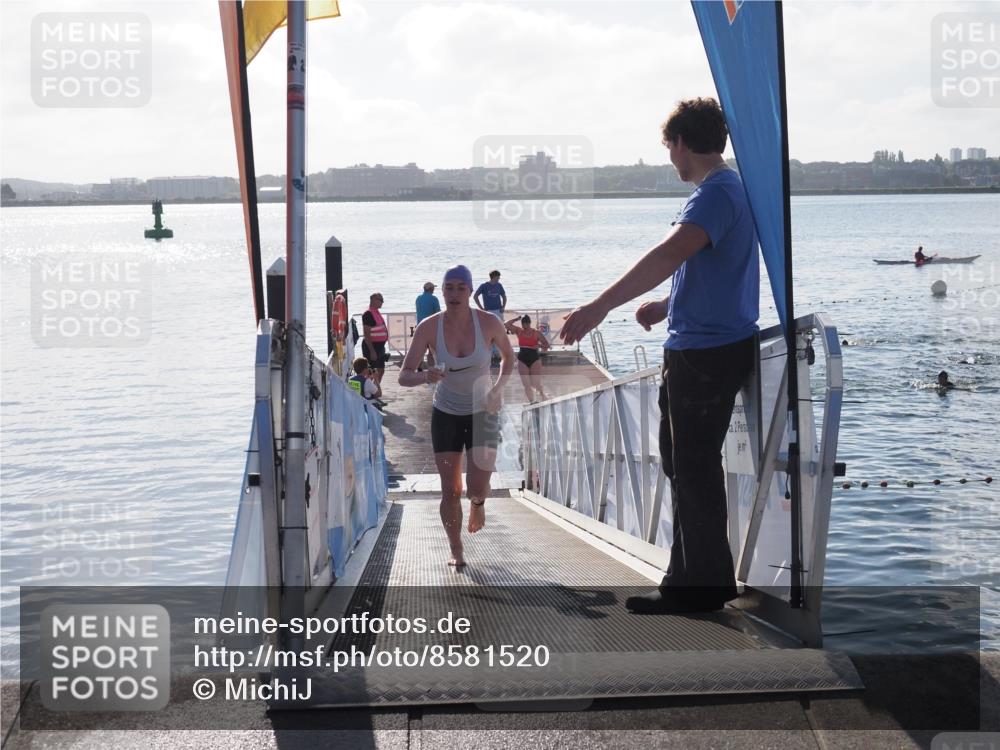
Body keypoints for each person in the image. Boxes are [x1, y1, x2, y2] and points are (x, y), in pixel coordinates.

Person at [560, 97, 759, 614]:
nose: (670, 158)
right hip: (710, 344)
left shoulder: (714, 194)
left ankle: (700, 587)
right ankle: (693, 579)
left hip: (705, 353)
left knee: (691, 466)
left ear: (682, 143)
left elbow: (669, 253)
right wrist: (670, 304)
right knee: (684, 464)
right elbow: (714, 265)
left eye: (669, 147)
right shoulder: (729, 191)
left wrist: (599, 306)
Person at [399, 265, 515, 567]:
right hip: (446, 413)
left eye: (460, 288)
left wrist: (499, 388)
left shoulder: (489, 322)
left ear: (469, 290)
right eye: (448, 288)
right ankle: (456, 548)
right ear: (441, 291)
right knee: (449, 488)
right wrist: (426, 376)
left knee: (477, 486)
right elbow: (404, 376)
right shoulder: (428, 326)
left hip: (483, 412)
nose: (454, 294)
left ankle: (478, 502)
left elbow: (508, 358)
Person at [505, 314, 551, 403]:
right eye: (523, 325)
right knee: (526, 384)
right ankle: (532, 402)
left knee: (536, 384)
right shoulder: (519, 331)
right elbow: (506, 324)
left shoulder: (536, 333)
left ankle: (542, 395)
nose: (525, 328)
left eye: (527, 325)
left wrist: (539, 345)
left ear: (530, 323)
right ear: (522, 324)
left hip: (534, 359)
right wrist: (517, 319)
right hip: (522, 359)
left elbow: (547, 346)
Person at [474, 270, 507, 364]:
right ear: (493, 277)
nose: (499, 279)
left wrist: (503, 307)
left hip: (498, 310)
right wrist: (481, 308)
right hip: (488, 311)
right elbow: (475, 296)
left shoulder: (499, 285)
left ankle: (497, 352)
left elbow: (504, 296)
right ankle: (490, 352)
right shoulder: (484, 286)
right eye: (498, 277)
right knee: (488, 332)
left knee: (499, 331)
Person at [361, 292, 389, 386]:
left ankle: (375, 390)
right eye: (381, 300)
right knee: (370, 371)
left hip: (380, 347)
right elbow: (366, 334)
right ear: (373, 300)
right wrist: (372, 351)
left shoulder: (376, 312)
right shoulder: (368, 314)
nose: (382, 302)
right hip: (372, 347)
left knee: (381, 369)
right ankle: (368, 391)